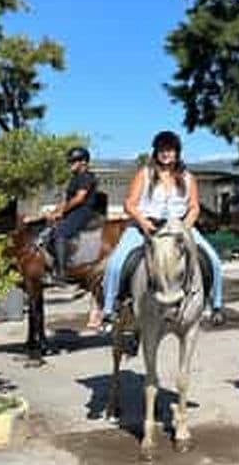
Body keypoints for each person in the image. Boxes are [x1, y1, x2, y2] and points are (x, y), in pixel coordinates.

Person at [90, 130, 223, 330]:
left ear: (177, 152)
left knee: (213, 259)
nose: (166, 153)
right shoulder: (144, 174)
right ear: (156, 152)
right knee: (116, 264)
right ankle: (109, 310)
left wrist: (185, 227)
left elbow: (194, 207)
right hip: (145, 225)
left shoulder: (187, 177)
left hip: (179, 225)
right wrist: (143, 223)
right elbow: (129, 204)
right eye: (162, 149)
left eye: (170, 149)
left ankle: (216, 305)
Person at [46, 146, 100, 283]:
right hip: (74, 210)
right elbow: (67, 200)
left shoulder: (86, 177)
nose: (70, 164)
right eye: (70, 161)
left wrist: (62, 211)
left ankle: (62, 273)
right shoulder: (76, 178)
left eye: (73, 161)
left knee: (60, 232)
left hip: (83, 211)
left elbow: (79, 198)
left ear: (83, 162)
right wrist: (54, 212)